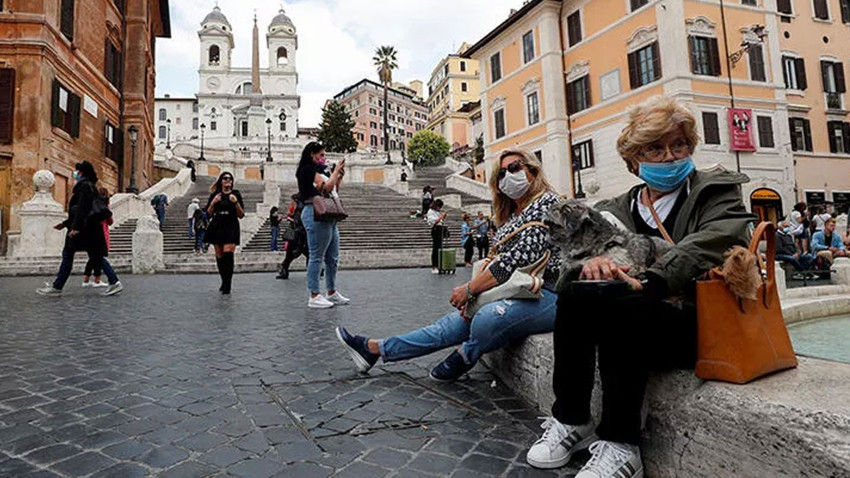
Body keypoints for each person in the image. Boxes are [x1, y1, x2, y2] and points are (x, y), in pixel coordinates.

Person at [526, 96, 754, 477]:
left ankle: (621, 444)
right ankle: (570, 419)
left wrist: (652, 280)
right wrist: (589, 266)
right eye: (655, 147)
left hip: (694, 321)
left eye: (678, 145)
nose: (669, 156)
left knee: (626, 303)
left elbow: (716, 238)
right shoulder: (613, 208)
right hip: (628, 320)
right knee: (574, 293)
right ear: (634, 160)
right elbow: (569, 260)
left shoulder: (715, 191)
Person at [335, 149, 564, 382]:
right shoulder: (510, 215)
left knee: (487, 317)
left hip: (550, 294)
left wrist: (470, 290)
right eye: (501, 173)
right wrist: (475, 294)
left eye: (514, 168)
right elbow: (497, 261)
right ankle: (374, 349)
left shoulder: (548, 203)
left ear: (532, 170)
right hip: (514, 290)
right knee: (449, 326)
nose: (507, 176)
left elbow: (518, 259)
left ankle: (466, 355)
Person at [37, 161, 124, 297]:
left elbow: (83, 208)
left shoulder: (84, 187)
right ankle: (114, 282)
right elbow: (81, 210)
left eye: (76, 171)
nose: (75, 173)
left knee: (70, 256)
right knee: (95, 257)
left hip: (83, 229)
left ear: (82, 172)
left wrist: (75, 227)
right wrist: (66, 224)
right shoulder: (89, 186)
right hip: (87, 228)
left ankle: (57, 287)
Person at [296, 142, 350, 308]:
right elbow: (324, 190)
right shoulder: (307, 171)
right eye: (320, 155)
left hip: (328, 214)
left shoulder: (321, 171)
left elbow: (334, 190)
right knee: (316, 256)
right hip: (315, 213)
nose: (323, 158)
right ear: (311, 154)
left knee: (332, 257)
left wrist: (338, 175)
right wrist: (334, 173)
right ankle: (314, 295)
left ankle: (331, 291)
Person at [204, 172, 245, 294]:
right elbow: (208, 214)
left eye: (230, 179)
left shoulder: (236, 194)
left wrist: (236, 202)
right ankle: (223, 280)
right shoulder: (215, 195)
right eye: (225, 178)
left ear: (232, 182)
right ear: (221, 181)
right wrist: (213, 203)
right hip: (217, 224)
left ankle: (228, 284)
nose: (228, 180)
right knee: (220, 256)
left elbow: (241, 215)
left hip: (231, 224)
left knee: (228, 254)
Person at [81, 187, 114, 288]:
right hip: (101, 233)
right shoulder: (103, 206)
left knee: (92, 257)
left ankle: (86, 279)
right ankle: (97, 279)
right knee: (98, 256)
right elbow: (110, 221)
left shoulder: (90, 204)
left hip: (88, 233)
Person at [277, 194, 309, 280]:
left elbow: (290, 213)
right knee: (307, 252)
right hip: (303, 229)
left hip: (299, 230)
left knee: (293, 253)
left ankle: (284, 270)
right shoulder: (308, 199)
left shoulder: (297, 200)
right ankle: (313, 271)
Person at [426, 199, 448, 274]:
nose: (440, 208)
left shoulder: (437, 212)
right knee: (436, 247)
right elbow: (434, 222)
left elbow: (440, 221)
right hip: (435, 229)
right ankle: (434, 265)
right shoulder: (430, 212)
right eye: (439, 207)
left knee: (439, 247)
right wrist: (441, 217)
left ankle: (439, 264)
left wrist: (442, 217)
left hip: (440, 229)